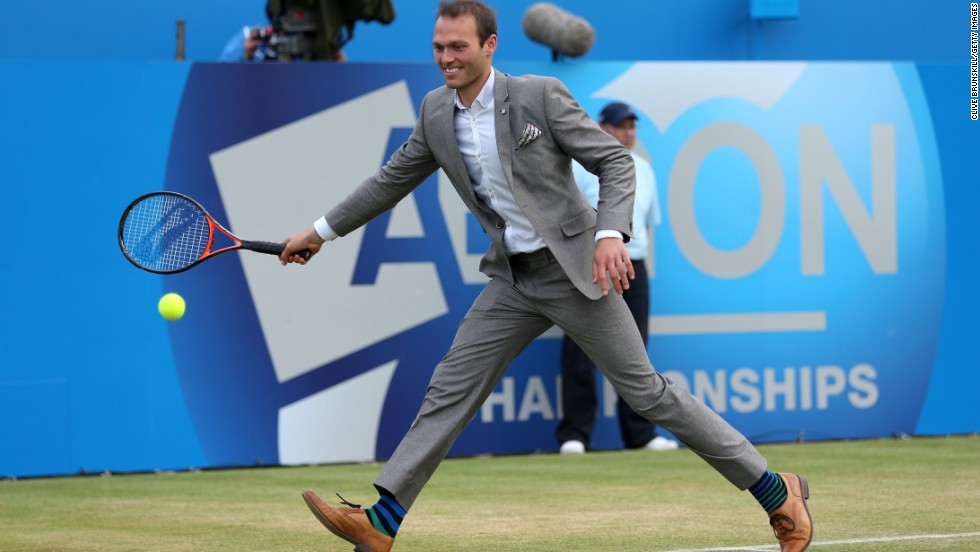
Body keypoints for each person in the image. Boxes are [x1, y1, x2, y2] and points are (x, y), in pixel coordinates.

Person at [278, 1, 813, 551]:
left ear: (489, 46)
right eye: (439, 47)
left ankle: (777, 493)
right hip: (513, 280)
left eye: (458, 46)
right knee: (449, 388)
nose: (446, 58)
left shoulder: (539, 95)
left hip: (576, 271)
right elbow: (390, 180)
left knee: (648, 395)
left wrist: (610, 235)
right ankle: (383, 521)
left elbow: (615, 162)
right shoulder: (436, 112)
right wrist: (320, 231)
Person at [556, 101, 678, 455]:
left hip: (633, 268)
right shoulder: (579, 167)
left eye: (632, 126)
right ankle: (575, 435)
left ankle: (639, 435)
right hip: (588, 266)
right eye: (621, 125)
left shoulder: (644, 169)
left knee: (634, 352)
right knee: (579, 351)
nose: (628, 132)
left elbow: (646, 227)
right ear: (601, 127)